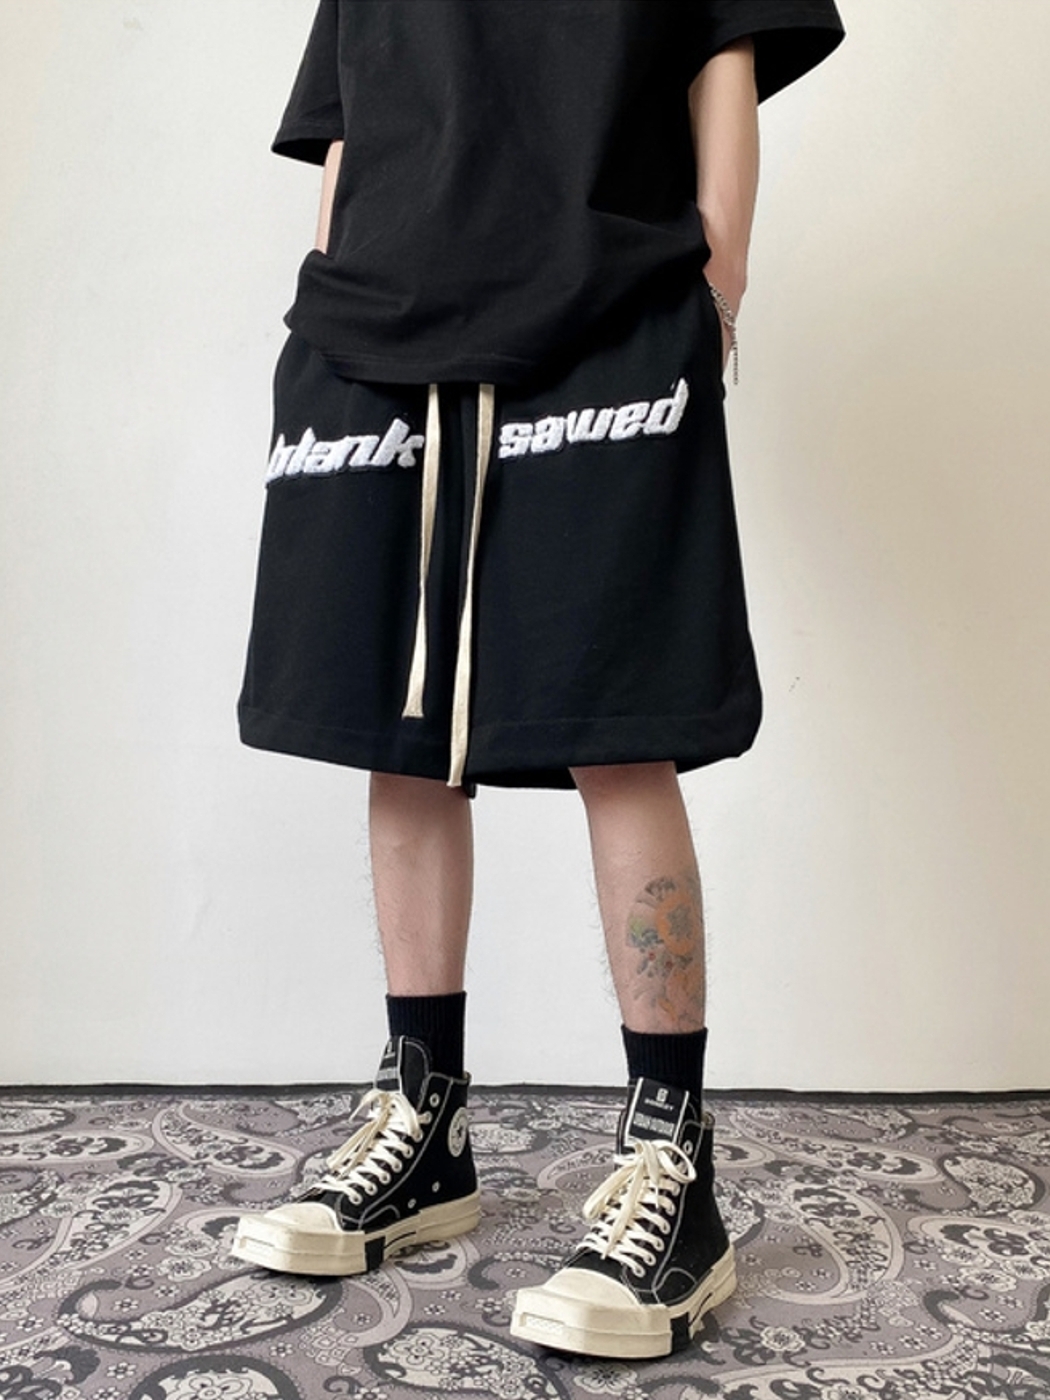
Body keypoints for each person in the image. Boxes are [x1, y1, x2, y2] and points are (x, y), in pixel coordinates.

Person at [230, 0, 844, 1360]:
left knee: (618, 723)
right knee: (401, 733)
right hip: (372, 331)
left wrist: (716, 285)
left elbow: (721, 45)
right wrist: (324, 293)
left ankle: (670, 1158)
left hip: (606, 305)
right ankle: (423, 1123)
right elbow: (346, 117)